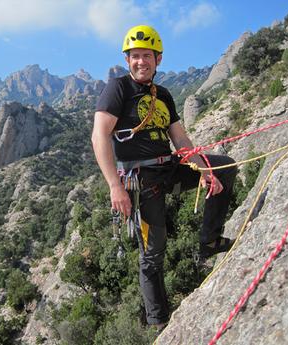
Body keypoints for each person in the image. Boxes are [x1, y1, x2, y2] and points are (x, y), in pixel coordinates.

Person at [91, 25, 237, 329]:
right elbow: (99, 136)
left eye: (147, 56)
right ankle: (159, 322)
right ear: (127, 59)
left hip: (168, 165)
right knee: (154, 251)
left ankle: (209, 240)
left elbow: (181, 140)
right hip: (141, 179)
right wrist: (114, 186)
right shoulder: (118, 89)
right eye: (135, 56)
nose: (140, 62)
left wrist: (202, 169)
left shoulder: (164, 94)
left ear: (158, 60)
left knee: (224, 166)